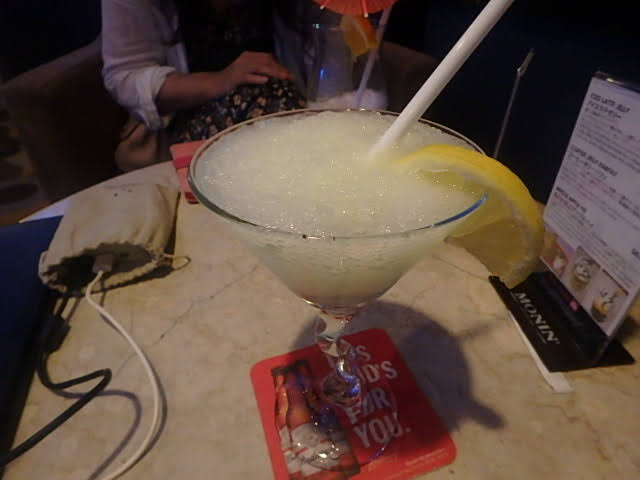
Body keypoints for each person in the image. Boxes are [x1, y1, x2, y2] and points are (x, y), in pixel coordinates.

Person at [101, 0, 306, 171]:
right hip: (180, 120)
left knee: (281, 111)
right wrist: (222, 80)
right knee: (266, 102)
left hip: (287, 109)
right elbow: (125, 77)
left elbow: (316, 53)